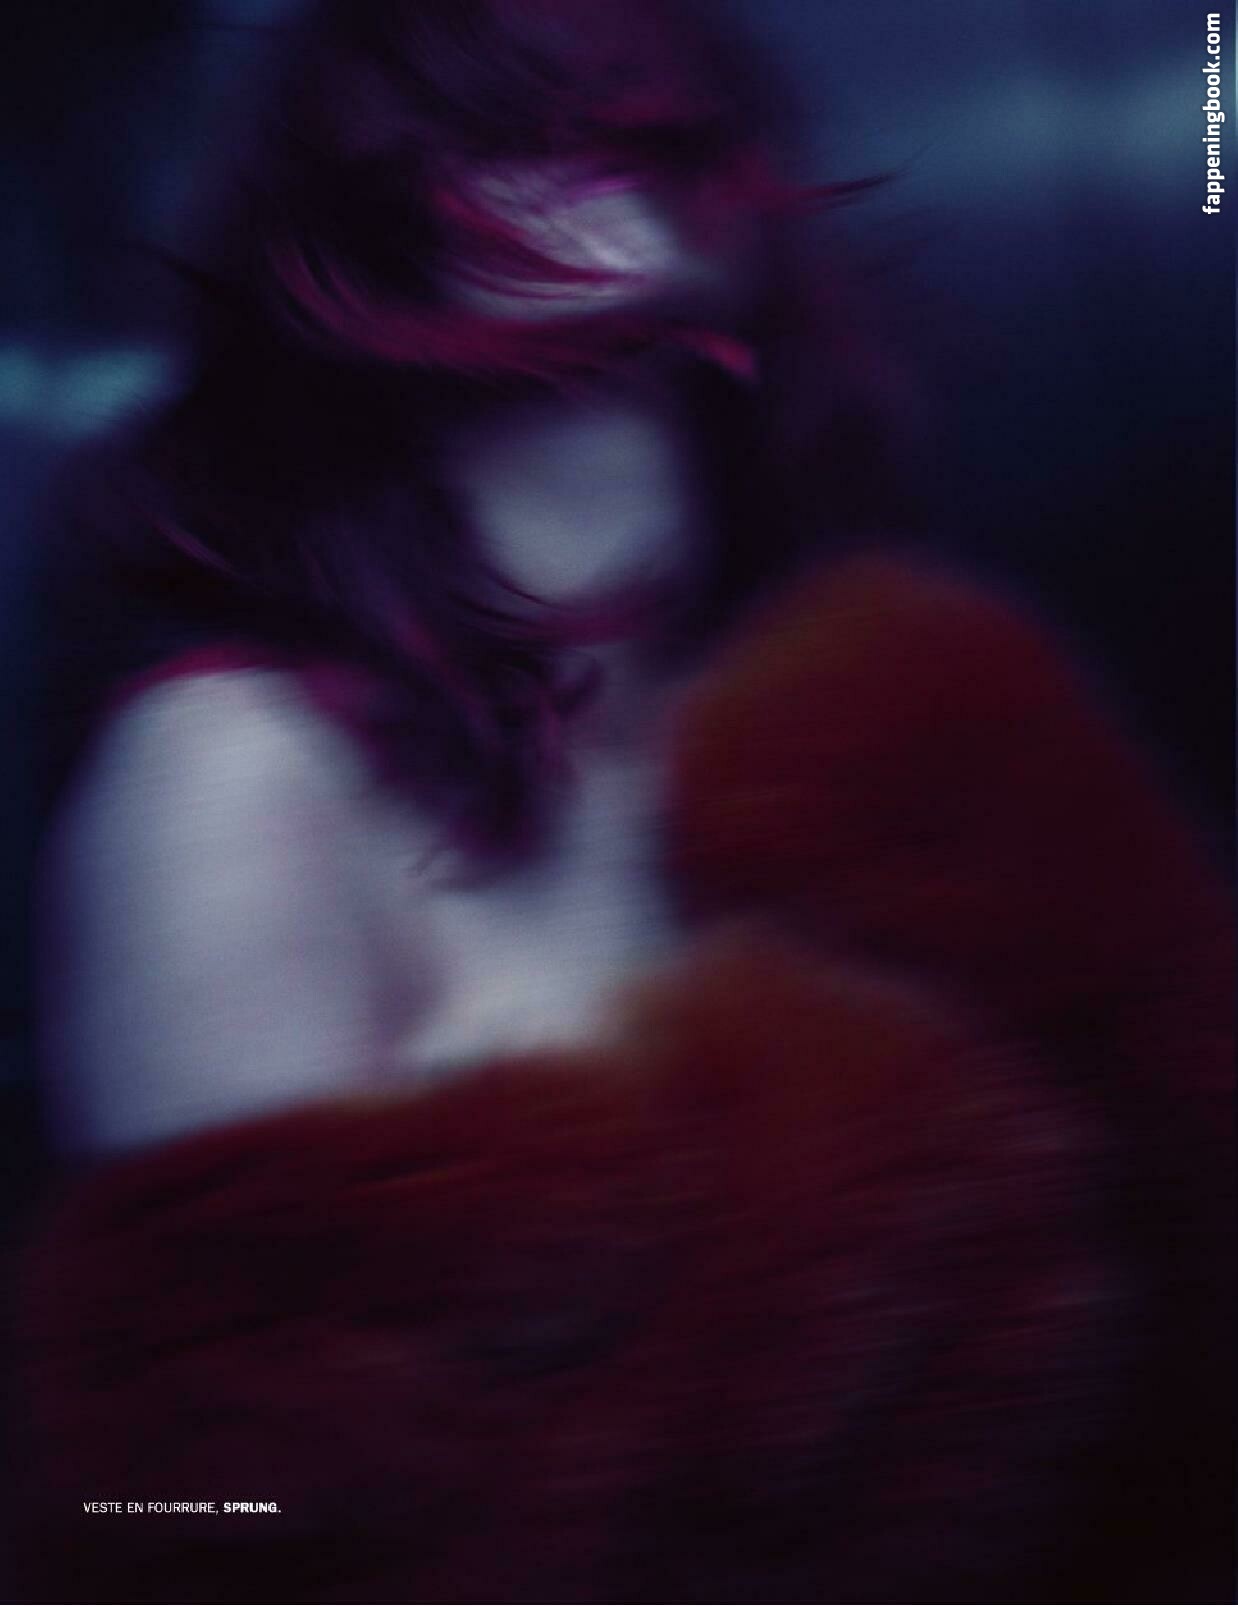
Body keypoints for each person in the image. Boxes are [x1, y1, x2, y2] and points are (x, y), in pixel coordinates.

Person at [15, 0, 1232, 1600]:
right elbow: (206, 1530)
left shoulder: (877, 696)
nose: (598, 163)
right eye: (492, 119)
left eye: (646, 113)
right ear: (351, 224)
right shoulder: (236, 774)